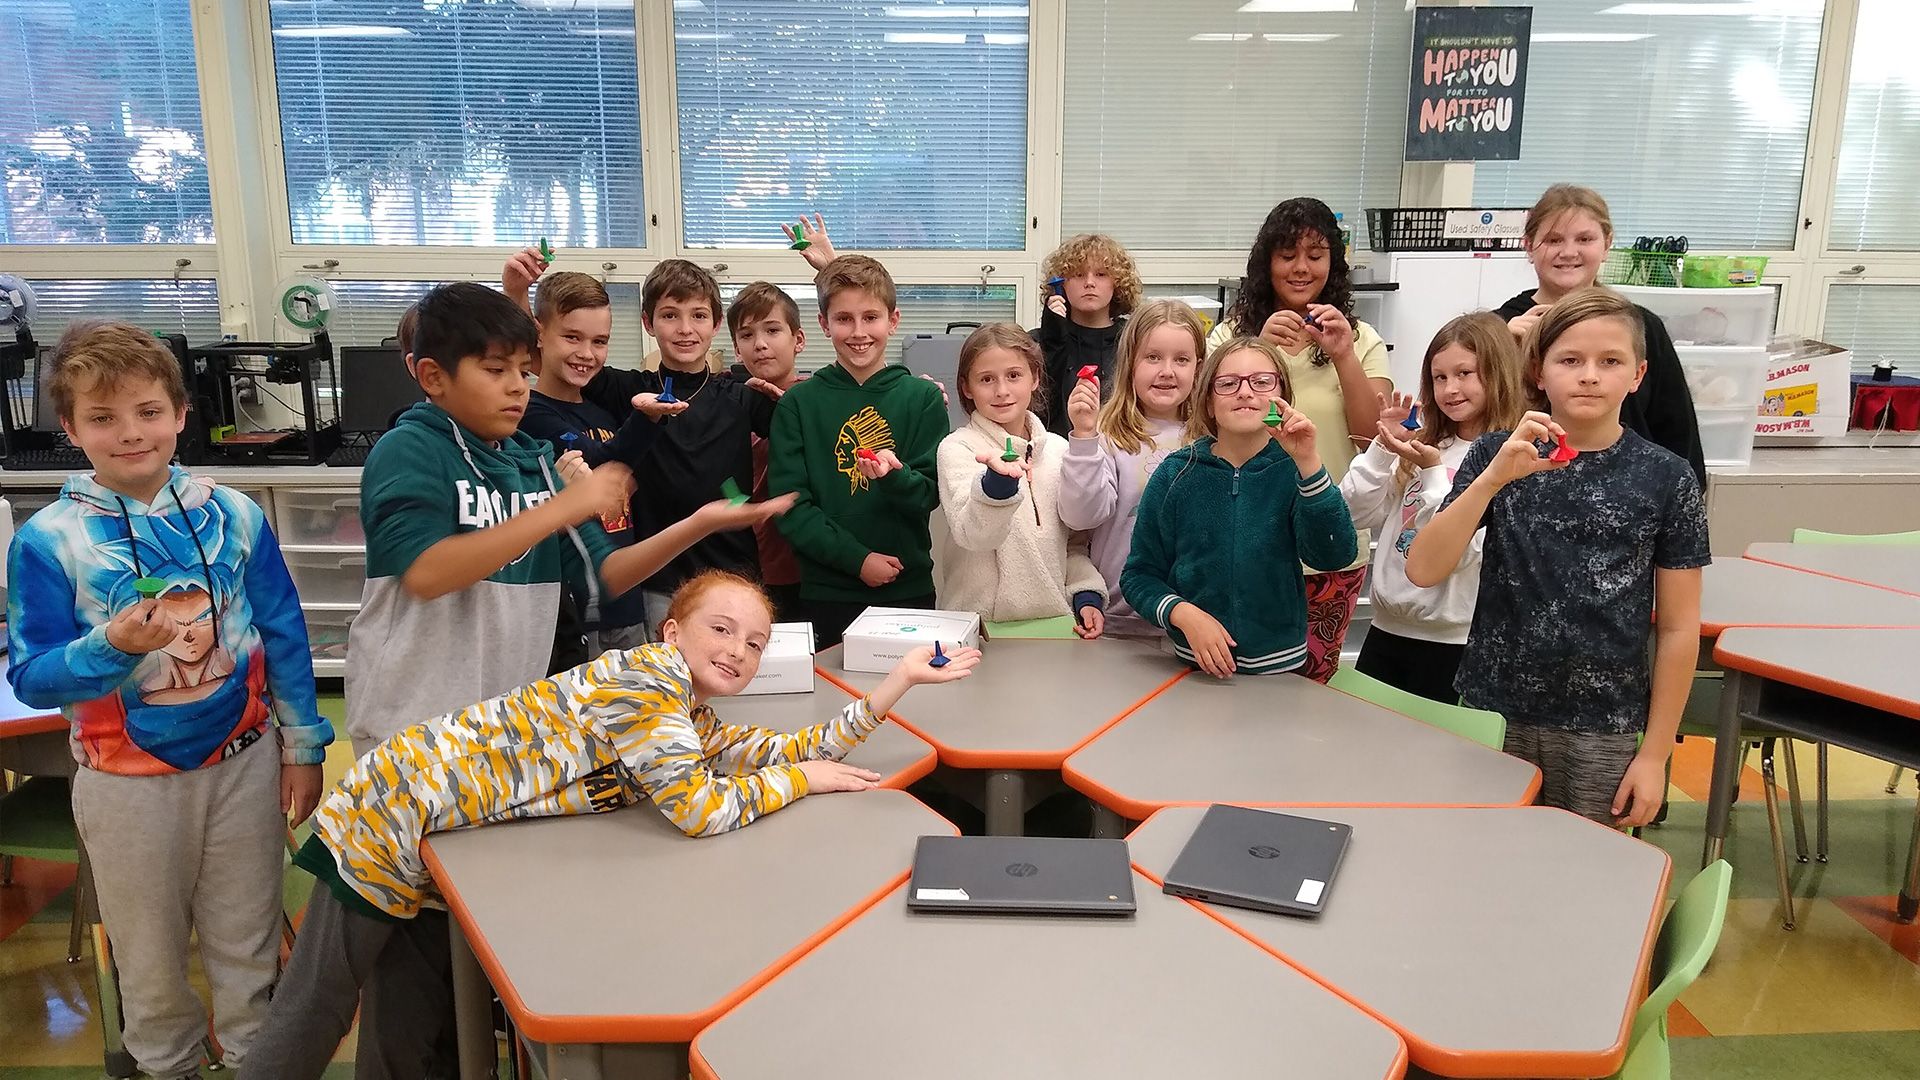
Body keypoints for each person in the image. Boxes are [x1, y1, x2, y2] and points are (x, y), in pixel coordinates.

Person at [246, 571, 980, 1078]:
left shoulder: (683, 710)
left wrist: (896, 683)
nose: (738, 650)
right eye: (720, 629)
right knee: (321, 998)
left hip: (430, 834)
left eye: (755, 643)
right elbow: (700, 809)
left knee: (408, 1011)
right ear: (672, 630)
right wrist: (801, 783)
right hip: (391, 814)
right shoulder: (648, 682)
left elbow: (779, 750)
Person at [7, 321, 332, 1080]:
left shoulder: (237, 514)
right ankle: (168, 1066)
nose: (130, 433)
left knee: (247, 941)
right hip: (125, 786)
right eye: (103, 417)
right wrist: (111, 647)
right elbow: (32, 676)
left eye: (149, 411)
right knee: (149, 958)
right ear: (70, 428)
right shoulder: (49, 540)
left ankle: (258, 1060)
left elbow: (282, 633)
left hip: (244, 768)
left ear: (182, 414)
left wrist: (304, 744)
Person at [344, 281, 790, 758]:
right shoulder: (409, 449)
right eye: (495, 370)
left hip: (505, 721)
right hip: (410, 724)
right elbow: (427, 574)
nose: (517, 385)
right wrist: (560, 508)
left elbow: (610, 573)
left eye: (522, 369)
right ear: (432, 376)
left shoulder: (532, 466)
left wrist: (702, 522)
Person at [1407, 287, 1708, 826]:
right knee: (1480, 863)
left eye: (1609, 361)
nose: (1589, 375)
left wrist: (1655, 754)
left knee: (1586, 875)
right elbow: (1423, 568)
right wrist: (1494, 477)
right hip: (1492, 711)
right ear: (1539, 373)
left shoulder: (1667, 477)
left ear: (1637, 375)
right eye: (1570, 360)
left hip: (1603, 724)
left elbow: (1681, 628)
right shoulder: (1498, 454)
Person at [505, 254, 779, 634]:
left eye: (698, 316)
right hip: (655, 583)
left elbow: (805, 422)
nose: (685, 329)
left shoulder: (741, 397)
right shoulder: (627, 390)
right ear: (648, 322)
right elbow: (545, 353)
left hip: (733, 574)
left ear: (716, 323)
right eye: (670, 315)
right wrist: (517, 293)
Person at [1209, 197, 1391, 681]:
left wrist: (1344, 357)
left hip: (1330, 539)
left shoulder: (1361, 337)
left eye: (1315, 253)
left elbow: (1373, 436)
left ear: (1333, 262)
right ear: (1266, 262)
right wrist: (1255, 350)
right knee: (1236, 678)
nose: (1301, 267)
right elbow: (1203, 425)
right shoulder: (1229, 335)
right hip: (1243, 534)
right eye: (1287, 254)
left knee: (1312, 687)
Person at [1121, 336, 1359, 679]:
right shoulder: (1176, 473)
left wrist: (1309, 463)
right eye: (1228, 384)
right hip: (1193, 669)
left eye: (1262, 382)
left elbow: (1334, 556)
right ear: (1207, 399)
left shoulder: (1296, 468)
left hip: (1281, 673)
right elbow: (1139, 575)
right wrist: (1183, 613)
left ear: (1283, 396)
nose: (1245, 392)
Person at [1337, 312, 1527, 702]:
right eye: (1440, 377)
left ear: (1499, 373)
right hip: (1387, 631)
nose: (1450, 389)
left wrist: (1435, 476)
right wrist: (1382, 447)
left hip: (1458, 642)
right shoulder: (1425, 444)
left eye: (1465, 373)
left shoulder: (1511, 457)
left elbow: (1465, 552)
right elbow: (1353, 515)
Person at [767, 254, 949, 649]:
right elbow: (790, 506)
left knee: (911, 706)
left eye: (871, 317)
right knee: (833, 706)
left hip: (908, 589)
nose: (858, 331)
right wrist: (857, 560)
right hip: (827, 594)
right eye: (844, 319)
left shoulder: (922, 399)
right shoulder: (798, 403)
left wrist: (893, 476)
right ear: (823, 324)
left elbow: (929, 495)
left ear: (893, 320)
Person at [1492, 183, 1705, 486]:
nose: (1568, 252)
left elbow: (1677, 430)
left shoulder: (1641, 327)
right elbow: (1464, 421)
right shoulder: (1498, 328)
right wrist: (1501, 351)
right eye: (1553, 240)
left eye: (1584, 239)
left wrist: (1683, 495)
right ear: (1529, 246)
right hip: (1522, 489)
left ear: (1607, 245)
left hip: (1631, 492)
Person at [512, 269, 676, 654]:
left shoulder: (602, 411)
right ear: (539, 333)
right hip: (577, 611)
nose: (587, 353)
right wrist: (648, 417)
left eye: (599, 341)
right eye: (572, 337)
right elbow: (603, 462)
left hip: (627, 603)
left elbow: (622, 473)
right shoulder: (530, 412)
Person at [935, 323, 1105, 633]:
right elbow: (973, 535)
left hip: (1053, 627)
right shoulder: (958, 448)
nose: (1001, 391)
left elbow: (1074, 543)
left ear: (1035, 378)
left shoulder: (1059, 450)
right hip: (977, 628)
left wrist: (1086, 593)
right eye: (986, 379)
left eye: (1013, 376)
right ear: (966, 387)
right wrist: (996, 485)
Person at [1057, 298, 1202, 638]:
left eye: (1181, 359)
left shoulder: (1213, 439)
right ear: (1130, 363)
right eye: (1153, 357)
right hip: (1117, 620)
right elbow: (1080, 518)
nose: (1167, 370)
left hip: (1196, 623)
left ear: (1199, 367)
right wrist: (1083, 438)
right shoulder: (1108, 437)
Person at [725, 281, 810, 618]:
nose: (760, 344)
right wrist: (740, 505)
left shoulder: (816, 398)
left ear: (798, 340)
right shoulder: (729, 406)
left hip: (810, 565)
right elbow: (720, 477)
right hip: (749, 565)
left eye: (772, 330)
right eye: (747, 335)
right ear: (736, 348)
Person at [1032, 233, 1141, 436]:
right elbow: (1037, 410)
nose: (1089, 283)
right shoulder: (1038, 341)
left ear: (1117, 283)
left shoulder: (1135, 339)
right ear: (1061, 284)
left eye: (1101, 274)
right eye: (1079, 274)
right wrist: (1054, 336)